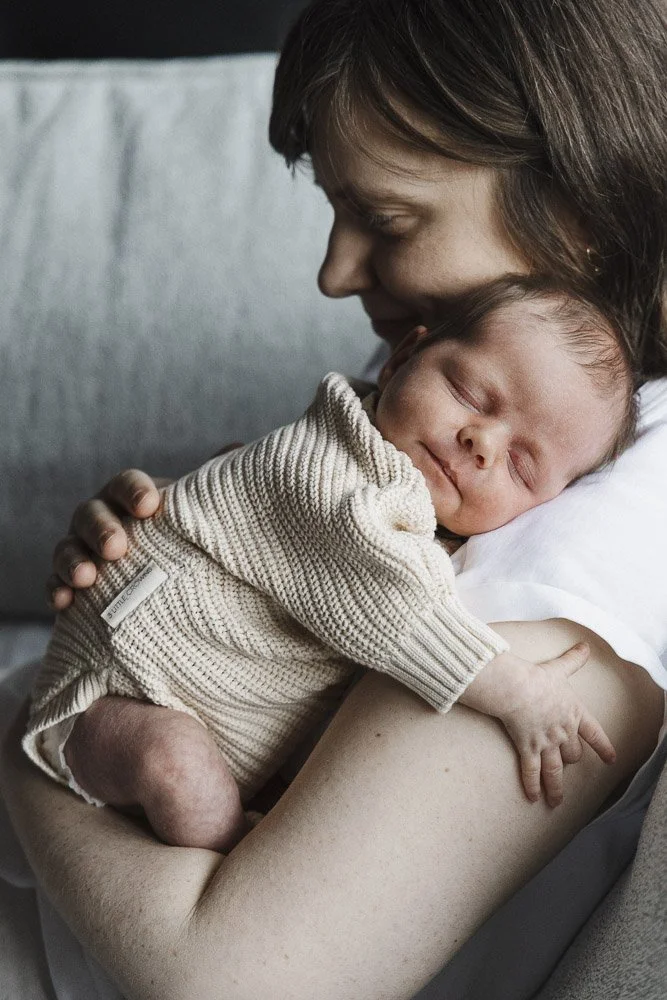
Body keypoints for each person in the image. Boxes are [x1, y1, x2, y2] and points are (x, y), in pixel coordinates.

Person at [2, 2, 666, 999]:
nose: (333, 272)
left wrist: (19, 738)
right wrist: (178, 536)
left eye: (386, 219)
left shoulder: (613, 506)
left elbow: (236, 980)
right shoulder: (476, 364)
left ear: (575, 210)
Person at [21, 277, 632, 852]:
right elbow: (395, 610)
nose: (483, 443)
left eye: (522, 466)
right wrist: (519, 691)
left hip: (192, 708)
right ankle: (220, 893)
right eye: (469, 393)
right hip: (111, 688)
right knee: (178, 766)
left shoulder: (418, 518)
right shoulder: (326, 469)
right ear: (399, 361)